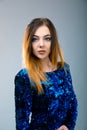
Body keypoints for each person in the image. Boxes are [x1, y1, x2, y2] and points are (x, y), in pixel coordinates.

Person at [14, 18, 78, 130]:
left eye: (47, 38)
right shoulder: (24, 77)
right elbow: (22, 124)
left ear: (53, 42)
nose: (41, 44)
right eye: (35, 39)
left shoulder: (64, 69)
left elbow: (73, 104)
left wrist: (67, 126)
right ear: (29, 43)